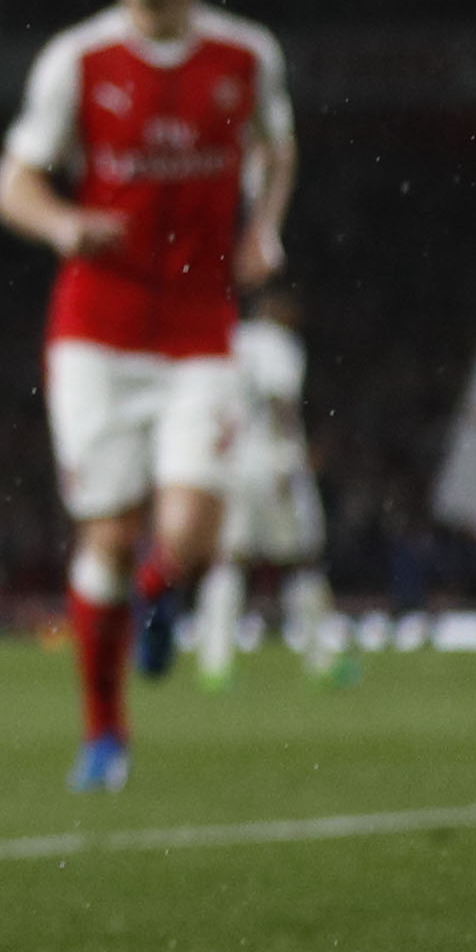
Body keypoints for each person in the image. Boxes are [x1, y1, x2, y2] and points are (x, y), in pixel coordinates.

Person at [0, 0, 295, 792]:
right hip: (96, 329)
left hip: (200, 327)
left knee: (191, 533)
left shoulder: (245, 55)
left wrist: (263, 226)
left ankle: (162, 596)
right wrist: (61, 224)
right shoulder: (77, 60)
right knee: (108, 535)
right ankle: (103, 731)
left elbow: (278, 149)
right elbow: (11, 179)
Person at [193, 282, 353, 690]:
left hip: (231, 464)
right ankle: (322, 658)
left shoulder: (230, 340)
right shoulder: (278, 344)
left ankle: (215, 662)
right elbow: (280, 400)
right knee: (302, 559)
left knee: (229, 559)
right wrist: (289, 458)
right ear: (277, 306)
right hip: (271, 461)